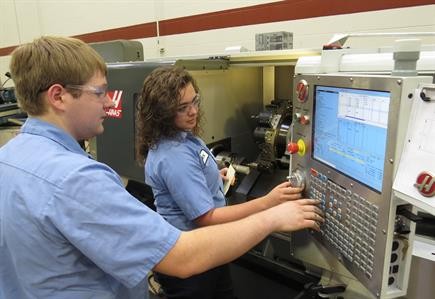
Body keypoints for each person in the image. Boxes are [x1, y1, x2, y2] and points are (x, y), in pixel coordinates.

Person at [0, 36, 323, 299]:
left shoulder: (10, 156)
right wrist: (271, 215)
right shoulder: (76, 180)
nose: (111, 103)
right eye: (99, 92)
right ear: (58, 96)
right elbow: (182, 257)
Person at [135, 66, 319, 299]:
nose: (193, 111)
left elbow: (192, 172)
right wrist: (268, 202)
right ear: (162, 112)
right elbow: (206, 217)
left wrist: (212, 176)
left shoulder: (181, 137)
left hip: (209, 252)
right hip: (194, 262)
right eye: (182, 108)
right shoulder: (173, 155)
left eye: (195, 101)